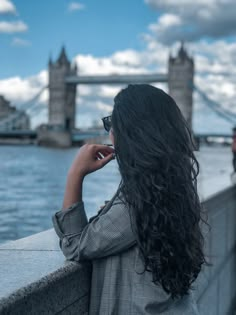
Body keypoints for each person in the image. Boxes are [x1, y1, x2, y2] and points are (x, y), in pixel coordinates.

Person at [52, 84, 207, 314]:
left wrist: (76, 172)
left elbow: (75, 245)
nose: (109, 132)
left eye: (111, 124)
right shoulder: (171, 186)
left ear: (130, 133)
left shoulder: (139, 200)